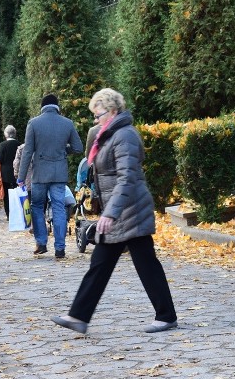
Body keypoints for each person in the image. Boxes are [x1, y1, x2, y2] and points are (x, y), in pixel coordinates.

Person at [51, 88, 178, 335]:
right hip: (121, 210)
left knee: (143, 263)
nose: (95, 119)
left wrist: (110, 213)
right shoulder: (110, 135)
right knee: (103, 263)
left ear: (112, 111)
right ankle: (79, 316)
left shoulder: (124, 136)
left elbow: (127, 177)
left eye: (98, 114)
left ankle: (166, 315)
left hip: (130, 210)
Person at [17, 94, 82, 258]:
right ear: (57, 106)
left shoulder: (34, 123)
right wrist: (62, 150)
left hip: (40, 174)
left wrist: (21, 177)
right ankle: (60, 248)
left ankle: (41, 243)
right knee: (59, 207)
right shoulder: (67, 123)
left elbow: (27, 152)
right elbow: (78, 147)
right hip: (59, 173)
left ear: (42, 107)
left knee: (37, 206)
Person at [0, 125, 20, 219]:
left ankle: (9, 214)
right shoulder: (19, 144)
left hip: (5, 173)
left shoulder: (2, 145)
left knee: (6, 194)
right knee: (17, 193)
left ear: (6, 134)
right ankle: (17, 212)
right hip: (17, 172)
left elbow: (0, 159)